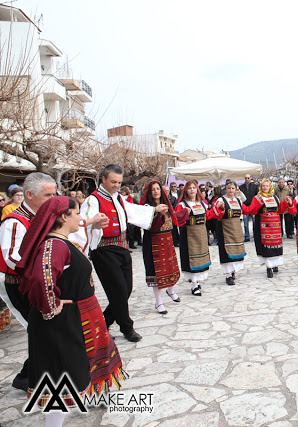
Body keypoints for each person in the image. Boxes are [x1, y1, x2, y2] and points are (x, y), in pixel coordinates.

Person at [16, 196, 126, 427]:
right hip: (61, 323)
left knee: (72, 370)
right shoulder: (54, 245)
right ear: (64, 217)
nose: (80, 218)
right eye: (77, 213)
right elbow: (41, 278)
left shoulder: (61, 242)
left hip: (79, 316)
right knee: (59, 374)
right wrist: (51, 307)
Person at [71, 164, 163, 343]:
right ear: (103, 179)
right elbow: (80, 221)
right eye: (113, 181)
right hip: (104, 249)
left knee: (125, 289)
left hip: (121, 247)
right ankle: (127, 327)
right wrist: (93, 222)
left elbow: (133, 211)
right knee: (119, 291)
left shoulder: (119, 198)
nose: (116, 185)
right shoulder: (93, 200)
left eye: (119, 182)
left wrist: (154, 210)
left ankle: (102, 325)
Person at [0, 172, 60, 392]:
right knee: (40, 329)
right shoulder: (15, 222)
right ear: (29, 195)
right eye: (48, 195)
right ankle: (29, 377)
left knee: (42, 329)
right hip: (19, 284)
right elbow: (13, 257)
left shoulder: (43, 218)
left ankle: (29, 375)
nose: (53, 200)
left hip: (36, 282)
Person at [140, 180, 189, 314]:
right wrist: (157, 215)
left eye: (158, 189)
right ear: (149, 192)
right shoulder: (146, 207)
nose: (156, 191)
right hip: (153, 242)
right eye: (153, 189)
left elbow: (174, 218)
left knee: (171, 267)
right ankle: (158, 301)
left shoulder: (166, 204)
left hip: (167, 241)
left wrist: (185, 212)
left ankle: (171, 290)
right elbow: (148, 225)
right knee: (156, 272)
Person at [175, 180, 215, 292]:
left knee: (201, 257)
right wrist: (183, 213)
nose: (192, 190)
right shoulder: (182, 205)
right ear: (185, 191)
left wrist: (218, 208)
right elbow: (176, 220)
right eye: (189, 188)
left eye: (193, 188)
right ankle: (194, 284)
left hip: (201, 234)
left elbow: (209, 215)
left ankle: (197, 282)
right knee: (191, 258)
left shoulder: (202, 203)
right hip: (189, 235)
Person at [245, 179, 290, 278]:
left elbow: (280, 210)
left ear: (270, 187)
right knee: (266, 246)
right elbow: (253, 211)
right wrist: (258, 202)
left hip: (275, 227)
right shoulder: (257, 197)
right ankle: (268, 267)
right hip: (263, 226)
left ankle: (275, 264)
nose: (265, 188)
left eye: (267, 186)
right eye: (263, 186)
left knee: (275, 245)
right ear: (260, 187)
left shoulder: (275, 197)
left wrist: (286, 202)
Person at [239, 174, 258, 242]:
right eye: (246, 178)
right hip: (245, 207)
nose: (247, 179)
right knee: (245, 223)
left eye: (248, 178)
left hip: (253, 207)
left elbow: (257, 196)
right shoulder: (241, 187)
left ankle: (255, 234)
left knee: (254, 222)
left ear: (250, 178)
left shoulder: (255, 186)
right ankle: (247, 236)